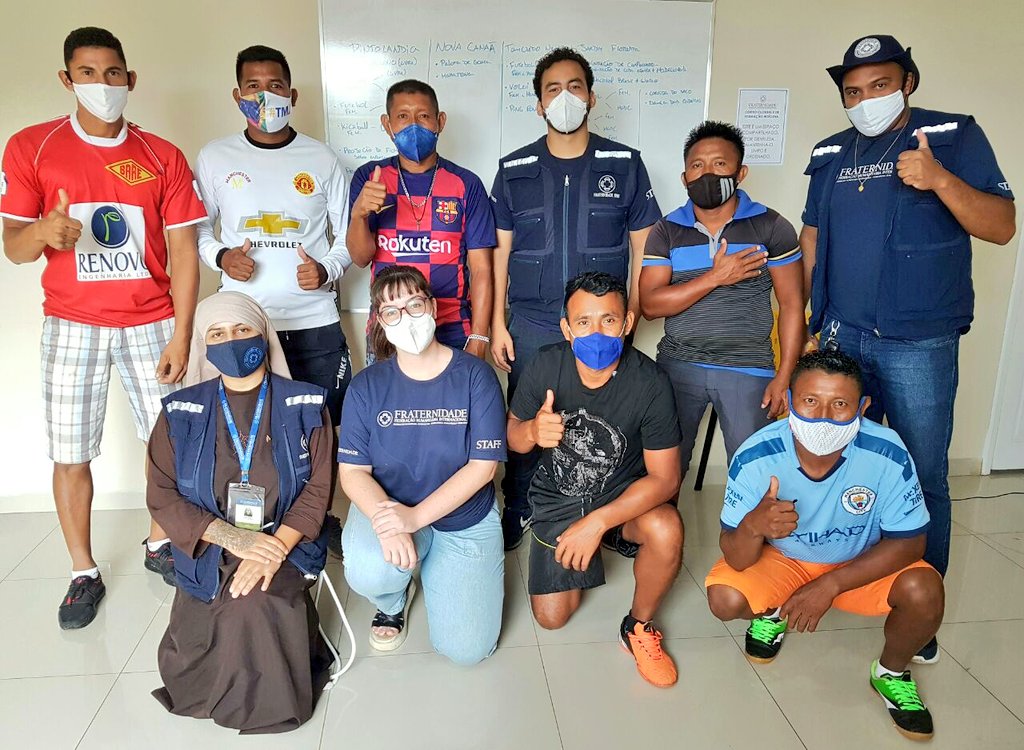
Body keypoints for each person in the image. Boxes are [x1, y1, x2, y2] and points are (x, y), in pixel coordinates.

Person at [800, 35, 1015, 662]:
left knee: (921, 474)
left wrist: (939, 179)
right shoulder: (831, 152)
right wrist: (813, 319)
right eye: (853, 91)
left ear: (908, 83)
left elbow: (1002, 226)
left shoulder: (952, 136)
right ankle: (832, 578)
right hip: (842, 334)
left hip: (918, 341)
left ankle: (921, 613)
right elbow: (812, 235)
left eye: (880, 85)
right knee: (831, 460)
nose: (866, 100)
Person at [0, 27, 206, 628]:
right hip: (72, 324)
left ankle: (159, 542)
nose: (102, 84)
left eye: (112, 72)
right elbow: (13, 246)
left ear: (129, 78)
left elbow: (184, 251)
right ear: (67, 80)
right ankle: (82, 571)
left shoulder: (161, 155)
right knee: (70, 452)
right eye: (87, 73)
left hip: (153, 321)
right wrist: (42, 232)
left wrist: (182, 333)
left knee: (168, 443)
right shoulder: (32, 147)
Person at [705, 350, 944, 741]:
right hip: (786, 560)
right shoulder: (756, 455)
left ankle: (891, 673)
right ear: (789, 401)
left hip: (857, 563)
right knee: (725, 599)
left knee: (925, 591)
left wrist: (830, 585)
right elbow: (735, 555)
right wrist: (753, 526)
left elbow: (911, 542)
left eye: (840, 405)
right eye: (810, 401)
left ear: (862, 408)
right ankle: (774, 613)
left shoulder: (886, 451)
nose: (823, 417)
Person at [491, 47, 662, 550]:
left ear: (590, 97)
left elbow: (644, 246)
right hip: (532, 321)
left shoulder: (625, 164)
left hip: (602, 322)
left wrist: (631, 312)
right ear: (539, 104)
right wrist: (498, 323)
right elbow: (499, 252)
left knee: (611, 416)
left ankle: (610, 514)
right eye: (552, 89)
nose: (564, 97)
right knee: (530, 419)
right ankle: (520, 505)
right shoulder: (514, 168)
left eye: (574, 87)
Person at [146, 291, 334, 734]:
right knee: (204, 620)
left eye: (242, 329)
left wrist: (270, 548)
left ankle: (268, 706)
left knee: (252, 602)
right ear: (204, 344)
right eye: (217, 333)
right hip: (209, 541)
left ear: (263, 335)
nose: (231, 340)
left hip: (284, 541)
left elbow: (318, 490)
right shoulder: (181, 411)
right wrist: (232, 538)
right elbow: (162, 494)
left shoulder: (306, 405)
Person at [194, 44, 353, 555]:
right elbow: (197, 231)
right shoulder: (215, 157)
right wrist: (222, 258)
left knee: (322, 427)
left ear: (293, 94)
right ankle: (261, 523)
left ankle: (316, 520)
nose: (266, 96)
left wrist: (326, 269)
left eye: (276, 86)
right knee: (251, 430)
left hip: (314, 322)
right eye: (254, 86)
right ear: (237, 94)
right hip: (245, 327)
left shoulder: (322, 158)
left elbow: (349, 238)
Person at [507, 271, 683, 688]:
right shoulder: (545, 364)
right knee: (552, 618)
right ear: (567, 329)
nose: (597, 332)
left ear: (627, 323)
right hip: (560, 495)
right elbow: (512, 437)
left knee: (666, 527)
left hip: (622, 496)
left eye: (609, 320)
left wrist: (598, 522)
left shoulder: (651, 382)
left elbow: (666, 479)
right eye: (584, 322)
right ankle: (587, 547)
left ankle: (638, 627)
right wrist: (532, 431)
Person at [339, 266, 506, 665]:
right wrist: (391, 521)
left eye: (414, 304)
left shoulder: (476, 376)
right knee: (369, 569)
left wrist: (414, 520)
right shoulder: (366, 386)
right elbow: (353, 473)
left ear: (432, 307)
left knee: (467, 650)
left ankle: (434, 562)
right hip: (391, 505)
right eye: (391, 311)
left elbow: (483, 468)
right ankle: (393, 599)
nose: (406, 318)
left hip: (463, 515)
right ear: (380, 321)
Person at [640, 121, 804, 476]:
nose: (707, 174)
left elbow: (792, 305)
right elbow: (650, 306)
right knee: (663, 474)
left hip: (749, 368)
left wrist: (785, 376)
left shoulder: (772, 226)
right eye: (697, 166)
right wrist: (715, 277)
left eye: (720, 164)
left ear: (740, 172)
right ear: (684, 177)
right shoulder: (667, 230)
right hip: (678, 366)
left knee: (753, 476)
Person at [346, 79, 495, 362]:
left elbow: (481, 269)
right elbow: (360, 258)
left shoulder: (466, 183)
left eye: (423, 116)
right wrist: (359, 215)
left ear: (440, 121)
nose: (413, 125)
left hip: (453, 331)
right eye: (403, 116)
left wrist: (479, 338)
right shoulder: (370, 178)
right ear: (387, 124)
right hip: (388, 331)